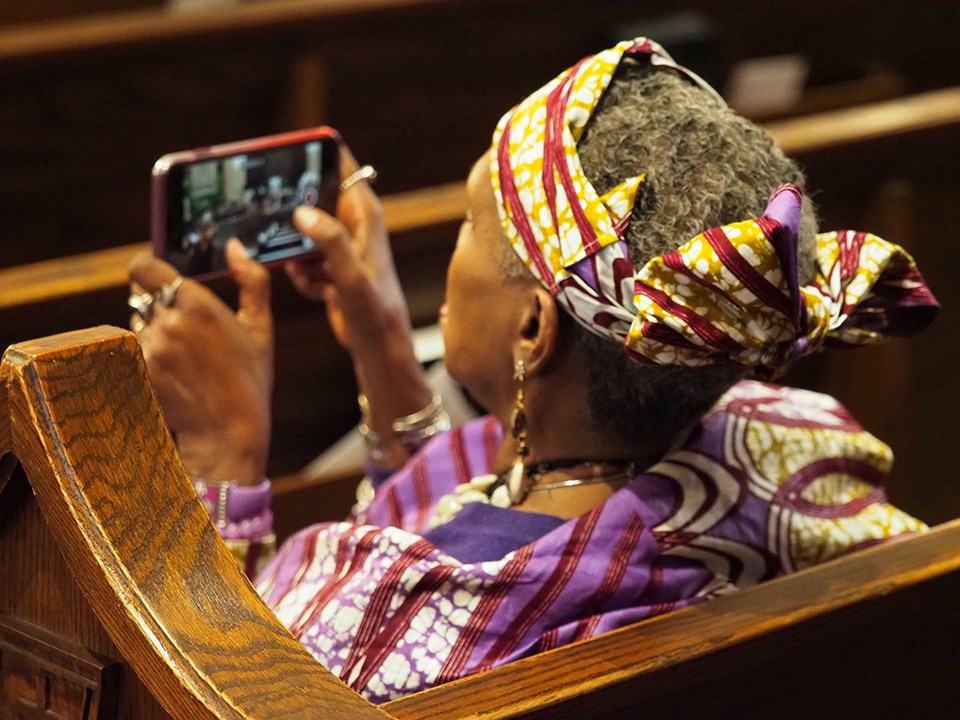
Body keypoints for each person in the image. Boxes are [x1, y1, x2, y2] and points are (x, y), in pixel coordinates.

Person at [128, 39, 938, 703]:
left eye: (467, 227)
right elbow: (490, 509)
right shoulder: (807, 448)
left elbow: (203, 693)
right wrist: (384, 354)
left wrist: (220, 461)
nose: (451, 252)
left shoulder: (396, 616)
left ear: (532, 327)